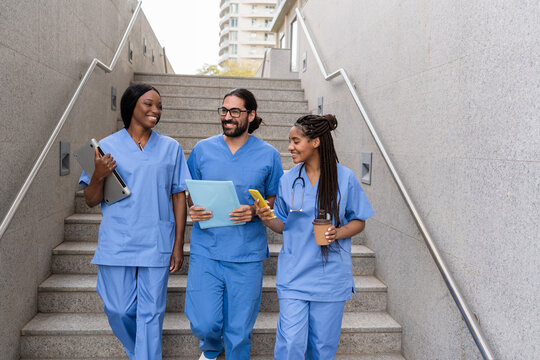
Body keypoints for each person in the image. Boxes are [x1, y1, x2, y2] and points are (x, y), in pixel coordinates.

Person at [79, 83, 190, 359]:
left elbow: (178, 196)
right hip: (118, 240)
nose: (156, 110)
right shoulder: (105, 146)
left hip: (156, 240)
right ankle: (137, 352)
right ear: (131, 107)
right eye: (149, 104)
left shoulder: (171, 148)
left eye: (159, 106)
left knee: (151, 314)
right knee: (119, 310)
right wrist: (98, 174)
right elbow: (91, 199)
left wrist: (178, 244)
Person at [255, 114, 374, 359]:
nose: (290, 147)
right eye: (290, 141)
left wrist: (338, 232)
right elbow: (282, 225)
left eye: (296, 141)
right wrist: (265, 217)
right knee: (291, 345)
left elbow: (359, 221)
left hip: (329, 277)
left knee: (322, 349)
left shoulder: (346, 178)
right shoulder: (288, 180)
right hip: (294, 275)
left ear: (316, 142)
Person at [185, 88, 284, 360]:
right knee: (204, 321)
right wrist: (194, 208)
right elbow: (190, 190)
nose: (227, 117)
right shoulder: (202, 150)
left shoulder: (269, 155)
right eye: (224, 111)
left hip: (246, 254)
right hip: (207, 250)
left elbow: (273, 199)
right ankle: (211, 350)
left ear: (251, 115)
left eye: (235, 112)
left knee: (240, 329)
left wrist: (254, 210)